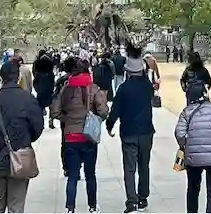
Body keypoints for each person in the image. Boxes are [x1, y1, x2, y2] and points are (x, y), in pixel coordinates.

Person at [0, 59, 44, 214]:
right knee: (16, 207)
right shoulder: (28, 99)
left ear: (1, 78)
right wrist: (25, 139)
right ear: (18, 77)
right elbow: (37, 127)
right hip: (20, 155)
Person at [50, 57, 108, 214]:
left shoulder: (66, 88)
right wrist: (96, 118)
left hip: (71, 136)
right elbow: (103, 111)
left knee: (73, 175)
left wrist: (67, 120)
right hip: (88, 137)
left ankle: (70, 207)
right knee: (90, 175)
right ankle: (92, 206)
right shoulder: (93, 88)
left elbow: (55, 111)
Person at [105, 54, 156, 212]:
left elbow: (115, 110)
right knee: (144, 166)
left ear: (127, 71)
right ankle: (143, 198)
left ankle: (132, 200)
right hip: (146, 131)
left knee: (129, 167)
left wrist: (109, 125)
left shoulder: (123, 88)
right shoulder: (147, 86)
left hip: (129, 132)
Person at [174, 80, 211, 213]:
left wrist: (186, 145)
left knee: (193, 189)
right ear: (205, 93)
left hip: (193, 158)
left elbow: (179, 133)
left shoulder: (187, 112)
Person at [33, 50, 58, 125]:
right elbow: (53, 82)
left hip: (41, 91)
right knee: (51, 106)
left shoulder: (39, 73)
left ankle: (42, 122)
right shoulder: (50, 73)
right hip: (49, 91)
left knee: (40, 107)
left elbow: (35, 82)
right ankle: (51, 121)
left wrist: (38, 89)